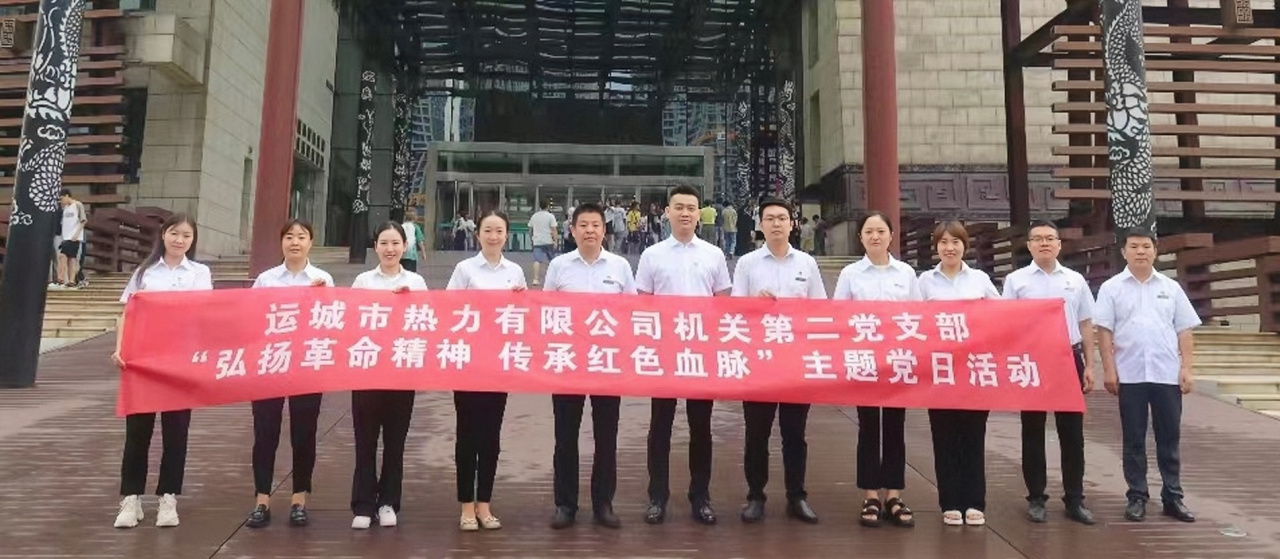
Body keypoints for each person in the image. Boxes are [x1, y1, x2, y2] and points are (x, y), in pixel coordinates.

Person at [637, 185, 732, 526]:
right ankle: (657, 496)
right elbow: (642, 303)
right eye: (679, 207)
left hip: (700, 353)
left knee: (701, 427)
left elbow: (722, 303)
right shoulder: (652, 255)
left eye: (691, 208)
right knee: (660, 426)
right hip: (665, 352)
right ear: (667, 212)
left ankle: (700, 496)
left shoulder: (714, 254)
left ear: (699, 213)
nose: (685, 213)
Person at [111, 213, 212, 529]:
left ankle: (168, 497)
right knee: (137, 432)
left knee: (176, 431)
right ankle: (131, 498)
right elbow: (127, 313)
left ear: (192, 240)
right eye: (174, 233)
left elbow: (204, 314)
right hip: (143, 360)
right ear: (163, 235)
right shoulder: (145, 272)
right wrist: (120, 348)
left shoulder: (199, 273)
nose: (179, 240)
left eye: (186, 235)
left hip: (180, 362)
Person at [1095, 228, 1199, 523]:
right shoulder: (1112, 288)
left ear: (1155, 251)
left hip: (1166, 374)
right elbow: (1104, 331)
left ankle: (1173, 497)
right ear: (1124, 252)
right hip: (1130, 375)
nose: (1140, 251)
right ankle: (1137, 496)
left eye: (1145, 246)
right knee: (1134, 439)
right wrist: (1109, 369)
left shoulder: (1171, 287)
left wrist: (1187, 368)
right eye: (1134, 246)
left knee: (1169, 438)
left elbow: (1184, 330)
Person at [545, 202, 637, 530]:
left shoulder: (620, 266)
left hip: (607, 363)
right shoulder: (559, 266)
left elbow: (632, 312)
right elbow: (546, 312)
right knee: (565, 436)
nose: (589, 231)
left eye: (595, 225)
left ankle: (603, 503)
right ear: (572, 230)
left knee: (606, 436)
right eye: (583, 225)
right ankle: (565, 504)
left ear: (604, 230)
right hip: (568, 362)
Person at [732, 199, 824, 525]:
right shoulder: (747, 263)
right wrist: (753, 304)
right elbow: (734, 310)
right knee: (756, 433)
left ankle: (796, 496)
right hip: (759, 362)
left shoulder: (807, 263)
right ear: (760, 224)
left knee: (794, 433)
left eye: (782, 218)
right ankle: (755, 496)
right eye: (769, 218)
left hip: (796, 361)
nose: (775, 223)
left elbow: (820, 308)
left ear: (792, 223)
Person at [1002, 220, 1097, 525]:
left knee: (1072, 433)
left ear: (1059, 244)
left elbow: (1085, 323)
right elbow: (1007, 324)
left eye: (1049, 238)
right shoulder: (1016, 281)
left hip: (1068, 357)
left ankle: (1075, 498)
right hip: (1032, 360)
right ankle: (1036, 497)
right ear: (1029, 245)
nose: (1044, 243)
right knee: (1032, 431)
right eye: (1038, 239)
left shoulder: (1074, 280)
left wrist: (1090, 364)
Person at [244, 219, 334, 529]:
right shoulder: (266, 279)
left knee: (304, 433)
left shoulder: (323, 279)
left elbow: (332, 323)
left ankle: (299, 499)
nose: (295, 242)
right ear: (281, 242)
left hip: (307, 364)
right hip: (270, 364)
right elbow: (251, 318)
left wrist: (323, 298)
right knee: (265, 433)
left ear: (311, 242)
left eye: (302, 236)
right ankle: (262, 500)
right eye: (289, 237)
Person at [832, 211, 920, 528]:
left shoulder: (906, 273)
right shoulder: (850, 274)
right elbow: (838, 316)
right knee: (868, 427)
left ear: (891, 235)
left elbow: (919, 316)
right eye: (869, 231)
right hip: (865, 361)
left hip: (898, 361)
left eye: (881, 231)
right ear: (861, 237)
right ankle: (870, 494)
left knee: (895, 427)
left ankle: (894, 494)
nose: (875, 236)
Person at [446, 211, 526, 531]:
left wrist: (521, 302)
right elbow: (448, 310)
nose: (493, 236)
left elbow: (523, 318)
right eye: (488, 230)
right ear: (477, 233)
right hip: (467, 362)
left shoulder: (515, 271)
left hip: (498, 364)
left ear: (506, 235)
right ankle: (466, 505)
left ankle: (485, 504)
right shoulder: (464, 269)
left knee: (491, 436)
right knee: (467, 434)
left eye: (499, 231)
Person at [918, 220, 1000, 527]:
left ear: (965, 246)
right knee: (944, 436)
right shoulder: (924, 282)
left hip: (974, 369)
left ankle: (975, 501)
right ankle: (950, 501)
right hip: (939, 371)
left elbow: (1003, 317)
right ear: (935, 247)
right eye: (943, 242)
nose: (949, 248)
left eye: (955, 242)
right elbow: (910, 321)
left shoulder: (979, 279)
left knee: (973, 436)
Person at [349, 222, 429, 530]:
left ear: (405, 246)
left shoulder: (416, 282)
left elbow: (427, 322)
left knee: (395, 442)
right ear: (375, 246)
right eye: (384, 243)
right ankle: (363, 504)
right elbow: (349, 319)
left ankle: (388, 503)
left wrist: (409, 302)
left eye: (395, 243)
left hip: (401, 372)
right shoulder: (363, 281)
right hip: (367, 371)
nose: (390, 249)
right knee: (365, 441)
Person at [52, 189, 87, 289]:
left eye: (62, 198)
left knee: (62, 256)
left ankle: (60, 280)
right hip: (66, 237)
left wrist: (76, 234)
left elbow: (83, 220)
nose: (61, 201)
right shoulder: (65, 208)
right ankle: (71, 281)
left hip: (73, 236)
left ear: (67, 196)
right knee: (71, 258)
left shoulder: (77, 205)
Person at [528, 200, 558, 286]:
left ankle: (535, 279)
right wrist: (555, 241)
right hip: (548, 240)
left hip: (537, 241)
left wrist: (532, 239)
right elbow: (554, 229)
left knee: (537, 260)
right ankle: (554, 278)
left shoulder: (534, 216)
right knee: (552, 261)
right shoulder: (550, 216)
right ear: (547, 206)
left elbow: (530, 229)